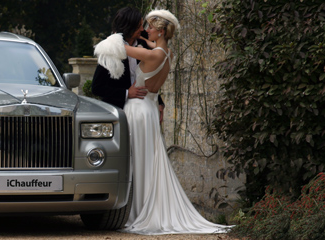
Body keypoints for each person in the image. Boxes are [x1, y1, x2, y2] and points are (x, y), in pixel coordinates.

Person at [94, 9, 230, 235]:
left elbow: (140, 69)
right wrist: (138, 96)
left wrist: (116, 39)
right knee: (146, 158)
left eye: (147, 26)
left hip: (139, 111)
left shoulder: (145, 50)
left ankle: (138, 210)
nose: (144, 29)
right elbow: (101, 86)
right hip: (140, 106)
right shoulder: (162, 50)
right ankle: (136, 207)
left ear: (159, 30)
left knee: (141, 159)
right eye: (141, 25)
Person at [91, 6, 165, 122]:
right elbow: (97, 87)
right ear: (129, 27)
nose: (142, 29)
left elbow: (147, 78)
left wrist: (159, 102)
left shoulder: (143, 44)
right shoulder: (110, 48)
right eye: (139, 26)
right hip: (118, 114)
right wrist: (126, 93)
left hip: (143, 112)